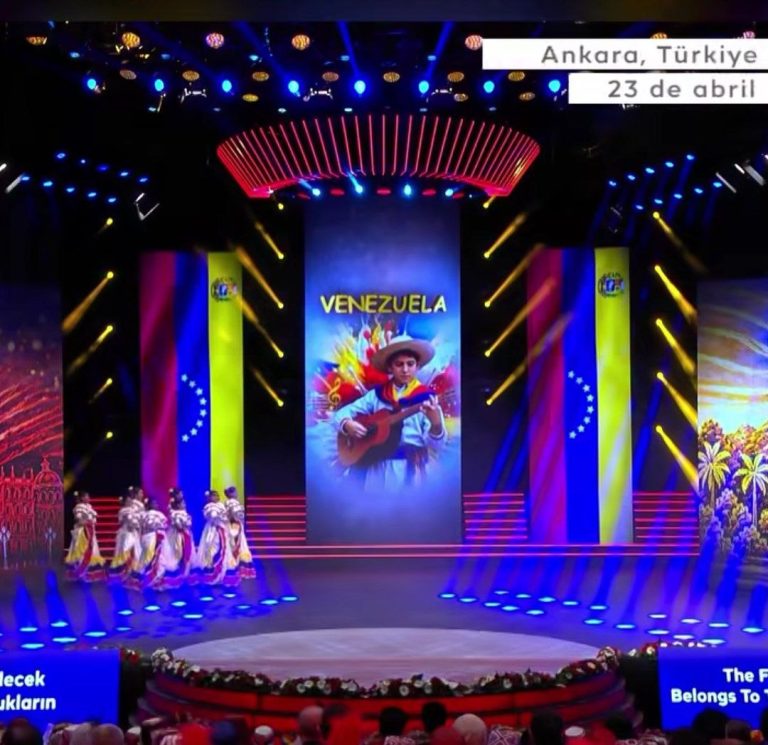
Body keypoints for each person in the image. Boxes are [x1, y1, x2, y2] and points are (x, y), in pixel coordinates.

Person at [332, 335, 446, 490]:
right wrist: (347, 424)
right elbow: (341, 414)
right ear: (390, 367)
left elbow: (437, 445)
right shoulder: (376, 395)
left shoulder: (427, 398)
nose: (405, 369)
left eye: (410, 364)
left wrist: (436, 425)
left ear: (417, 366)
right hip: (376, 470)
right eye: (399, 364)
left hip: (411, 471)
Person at [195, 490, 239, 586]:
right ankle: (211, 572)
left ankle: (222, 574)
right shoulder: (209, 506)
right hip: (212, 530)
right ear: (210, 498)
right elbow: (212, 517)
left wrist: (227, 517)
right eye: (213, 496)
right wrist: (220, 516)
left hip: (222, 529)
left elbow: (225, 518)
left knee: (224, 549)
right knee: (212, 548)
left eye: (217, 495)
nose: (216, 497)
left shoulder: (221, 505)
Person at [159, 488, 197, 589]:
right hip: (175, 534)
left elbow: (187, 520)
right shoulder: (172, 508)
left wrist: (186, 524)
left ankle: (186, 576)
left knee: (187, 553)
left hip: (185, 533)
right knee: (175, 553)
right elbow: (174, 521)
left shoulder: (183, 509)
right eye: (179, 494)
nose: (181, 496)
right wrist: (180, 524)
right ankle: (174, 578)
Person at [64, 490, 106, 581]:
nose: (88, 498)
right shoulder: (79, 507)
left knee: (92, 551)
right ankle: (80, 573)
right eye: (86, 496)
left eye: (88, 496)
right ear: (82, 498)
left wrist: (91, 522)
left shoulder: (89, 507)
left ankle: (89, 573)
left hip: (90, 531)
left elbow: (94, 519)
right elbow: (79, 520)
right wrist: (88, 522)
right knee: (82, 551)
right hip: (82, 532)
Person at [129, 496, 169, 589]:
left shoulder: (154, 515)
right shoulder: (147, 515)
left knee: (157, 559)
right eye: (154, 503)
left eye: (156, 503)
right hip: (150, 538)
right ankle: (148, 581)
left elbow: (165, 525)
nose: (156, 505)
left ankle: (155, 581)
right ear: (150, 504)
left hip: (153, 538)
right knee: (149, 559)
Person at [109, 487, 145, 581]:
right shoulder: (123, 511)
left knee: (136, 551)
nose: (130, 502)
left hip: (134, 533)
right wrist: (131, 523)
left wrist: (136, 524)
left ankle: (134, 572)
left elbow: (137, 519)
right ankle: (123, 572)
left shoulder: (132, 510)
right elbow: (122, 521)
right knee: (125, 550)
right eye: (128, 501)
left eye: (130, 501)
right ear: (124, 502)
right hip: (125, 534)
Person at [224, 486, 256, 579]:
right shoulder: (233, 502)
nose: (236, 493)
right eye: (235, 492)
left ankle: (236, 566)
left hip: (232, 524)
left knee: (235, 544)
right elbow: (236, 515)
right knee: (238, 544)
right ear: (231, 493)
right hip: (235, 524)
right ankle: (237, 567)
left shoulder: (227, 502)